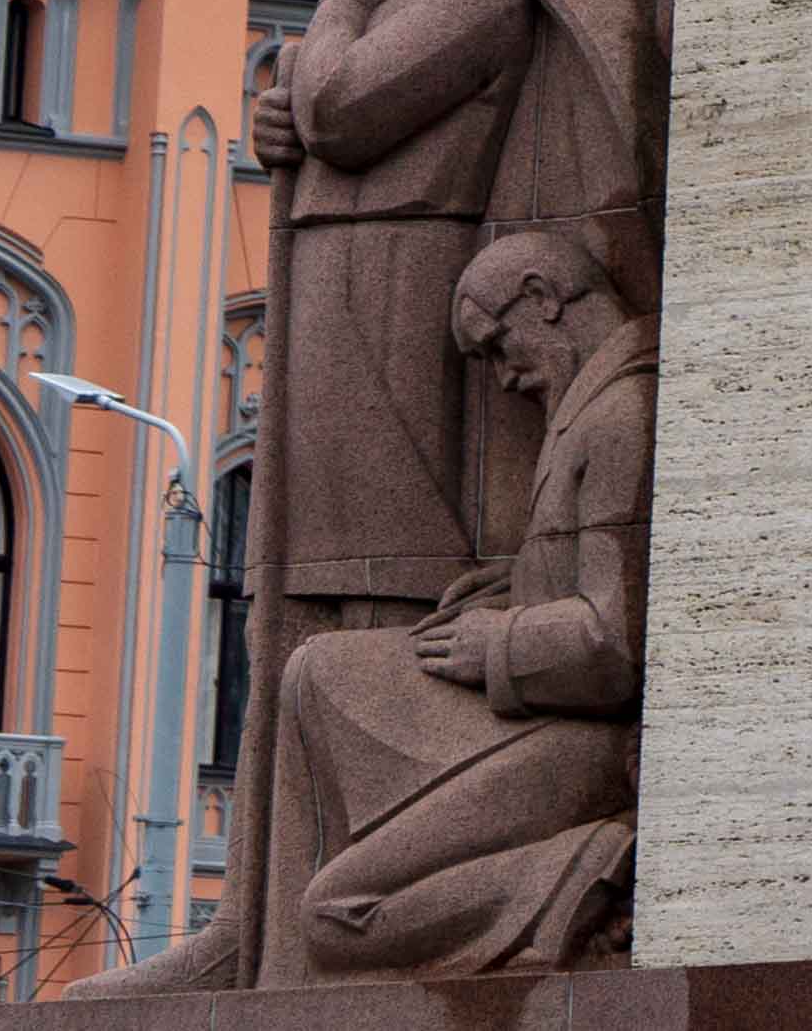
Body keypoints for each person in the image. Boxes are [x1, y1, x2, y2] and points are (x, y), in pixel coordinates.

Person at [85, 0, 658, 996]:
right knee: (306, 603)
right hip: (350, 285)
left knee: (369, 596)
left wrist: (335, 0)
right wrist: (285, 111)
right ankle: (261, 916)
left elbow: (342, 106)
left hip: (396, 295)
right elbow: (311, 115)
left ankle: (297, 921)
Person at [250, 228, 650, 976]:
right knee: (319, 672)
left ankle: (586, 869)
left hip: (586, 743)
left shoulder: (623, 413)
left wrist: (494, 643)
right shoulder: (592, 405)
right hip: (544, 713)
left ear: (543, 296)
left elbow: (614, 642)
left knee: (339, 916)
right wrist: (518, 584)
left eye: (499, 345)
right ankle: (251, 950)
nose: (502, 378)